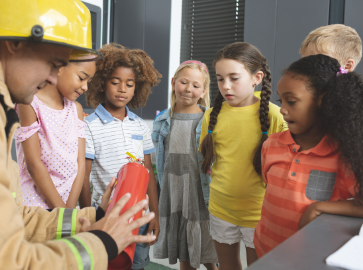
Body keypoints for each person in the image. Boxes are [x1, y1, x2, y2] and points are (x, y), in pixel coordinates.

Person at [0, 0, 155, 269]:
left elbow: (12, 217)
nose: (54, 79)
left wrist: (95, 215)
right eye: (54, 63)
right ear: (16, 43)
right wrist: (102, 242)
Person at [254, 54, 363, 257]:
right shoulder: (272, 145)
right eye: (281, 100)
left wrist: (319, 207)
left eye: (292, 101)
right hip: (264, 252)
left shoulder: (344, 155)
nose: (283, 110)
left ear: (323, 101)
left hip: (308, 259)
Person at [199, 42, 286, 270]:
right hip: (220, 208)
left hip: (260, 212)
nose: (225, 86)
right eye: (220, 79)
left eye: (234, 78)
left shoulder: (275, 115)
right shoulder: (211, 116)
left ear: (256, 78)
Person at [80, 43, 162, 270]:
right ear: (101, 83)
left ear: (137, 88)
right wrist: (92, 216)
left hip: (140, 217)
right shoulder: (90, 126)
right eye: (115, 82)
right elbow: (83, 180)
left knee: (137, 265)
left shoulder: (140, 126)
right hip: (107, 217)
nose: (122, 89)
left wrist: (154, 213)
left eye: (129, 84)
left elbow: (149, 177)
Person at [152, 61, 218, 270]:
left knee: (208, 251)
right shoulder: (162, 121)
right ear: (173, 83)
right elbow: (159, 162)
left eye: (196, 85)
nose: (188, 89)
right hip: (174, 192)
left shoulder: (210, 120)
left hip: (201, 192)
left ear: (204, 91)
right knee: (184, 253)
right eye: (183, 82)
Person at [15, 56, 96, 209]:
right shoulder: (29, 103)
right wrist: (62, 211)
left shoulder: (76, 110)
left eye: (88, 82)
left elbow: (80, 165)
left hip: (68, 206)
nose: (85, 87)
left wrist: (69, 210)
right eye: (81, 78)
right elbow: (34, 164)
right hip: (36, 207)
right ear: (59, 67)